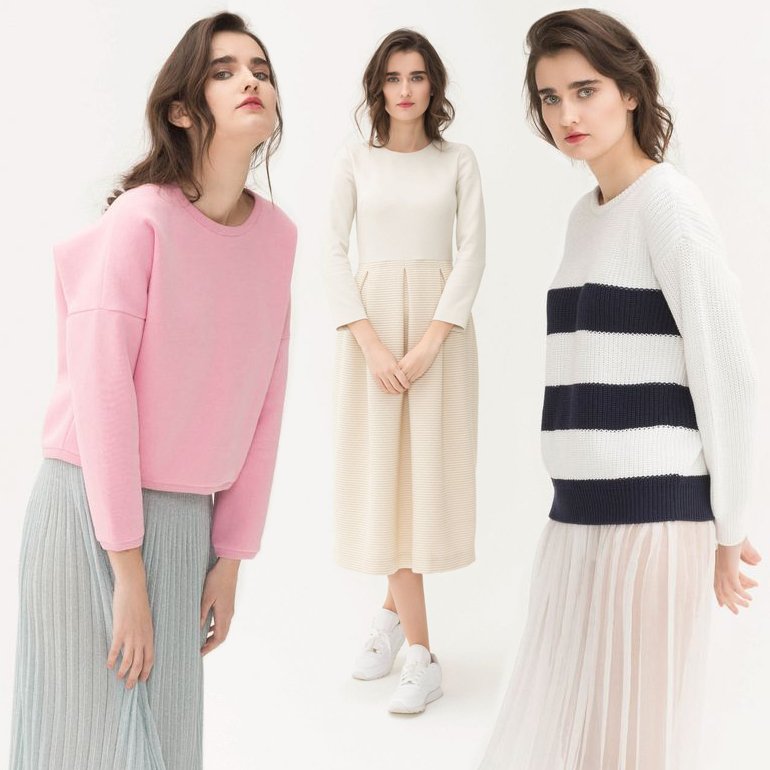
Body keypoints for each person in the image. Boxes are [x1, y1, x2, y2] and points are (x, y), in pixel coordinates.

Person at [10, 12, 296, 769]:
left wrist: (230, 558)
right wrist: (127, 575)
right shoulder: (140, 221)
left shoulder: (278, 238)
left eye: (261, 70)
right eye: (224, 71)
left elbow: (266, 401)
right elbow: (102, 398)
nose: (250, 81)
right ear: (181, 109)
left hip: (186, 524)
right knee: (81, 749)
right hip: (90, 514)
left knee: (166, 749)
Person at [480, 9, 759, 769]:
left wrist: (729, 525)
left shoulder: (668, 205)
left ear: (630, 92)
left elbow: (728, 373)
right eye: (549, 97)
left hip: (652, 517)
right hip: (577, 518)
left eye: (586, 90)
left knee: (627, 745)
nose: (566, 114)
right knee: (587, 738)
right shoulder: (586, 216)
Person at [324, 27, 485, 715]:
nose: (405, 89)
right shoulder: (354, 160)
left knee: (423, 483)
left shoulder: (458, 161)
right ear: (378, 87)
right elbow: (331, 252)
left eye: (417, 76)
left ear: (433, 85)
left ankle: (398, 630)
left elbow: (472, 255)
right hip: (371, 330)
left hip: (441, 333)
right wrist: (371, 344)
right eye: (393, 77)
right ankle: (421, 650)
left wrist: (426, 347)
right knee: (382, 483)